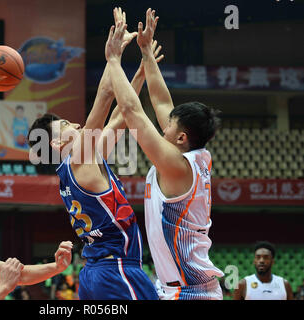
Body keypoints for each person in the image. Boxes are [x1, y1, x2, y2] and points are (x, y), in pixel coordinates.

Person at [28, 8, 161, 300]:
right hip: (116, 270)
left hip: (96, 272)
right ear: (54, 145)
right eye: (64, 125)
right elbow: (103, 98)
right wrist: (114, 54)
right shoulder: (79, 160)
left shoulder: (79, 167)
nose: (74, 124)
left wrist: (139, 73)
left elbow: (120, 117)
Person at [105, 8, 224, 300]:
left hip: (191, 292)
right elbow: (160, 99)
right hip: (178, 289)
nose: (164, 124)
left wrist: (113, 60)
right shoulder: (191, 154)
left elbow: (132, 111)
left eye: (169, 125)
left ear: (181, 137)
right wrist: (146, 52)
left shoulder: (176, 165)